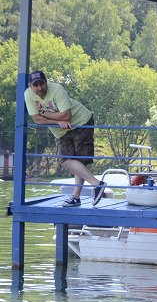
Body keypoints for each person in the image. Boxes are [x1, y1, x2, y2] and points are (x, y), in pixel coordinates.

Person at [24, 70, 105, 207]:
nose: (40, 88)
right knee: (64, 160)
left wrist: (43, 113)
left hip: (81, 122)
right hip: (60, 130)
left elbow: (66, 116)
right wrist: (56, 121)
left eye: (42, 84)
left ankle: (75, 197)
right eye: (36, 85)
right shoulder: (28, 95)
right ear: (30, 86)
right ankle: (97, 184)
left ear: (46, 81)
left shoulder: (57, 89)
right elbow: (37, 120)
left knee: (80, 161)